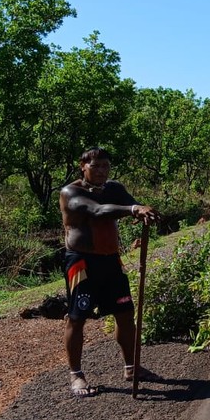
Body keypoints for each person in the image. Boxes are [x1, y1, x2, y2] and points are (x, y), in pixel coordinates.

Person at [59, 147, 160, 397]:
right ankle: (76, 375)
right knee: (77, 317)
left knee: (125, 313)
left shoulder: (114, 188)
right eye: (95, 167)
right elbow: (98, 211)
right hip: (81, 263)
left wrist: (141, 210)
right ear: (82, 166)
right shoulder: (70, 192)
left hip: (111, 261)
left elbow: (131, 203)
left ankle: (131, 367)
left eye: (105, 166)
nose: (102, 171)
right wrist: (133, 210)